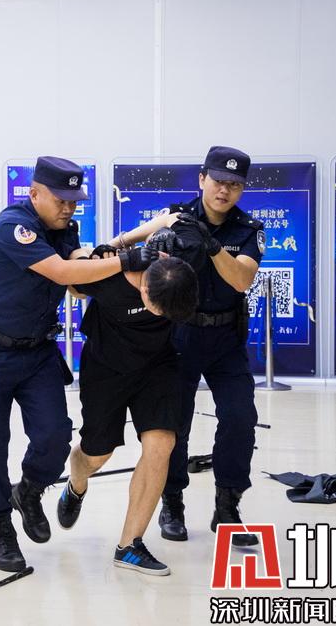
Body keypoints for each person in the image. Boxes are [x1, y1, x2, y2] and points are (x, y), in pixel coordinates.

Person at [0, 156, 160, 572]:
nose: (69, 208)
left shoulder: (65, 228)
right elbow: (62, 271)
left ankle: (30, 490)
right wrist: (127, 260)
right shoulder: (14, 226)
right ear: (35, 193)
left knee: (54, 437)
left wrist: (110, 253)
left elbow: (78, 279)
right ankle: (0, 528)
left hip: (36, 353)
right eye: (61, 200)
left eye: (74, 201)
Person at [101, 146, 264, 547]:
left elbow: (242, 280)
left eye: (234, 184)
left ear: (242, 188)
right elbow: (138, 237)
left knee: (240, 417)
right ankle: (172, 502)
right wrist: (118, 244)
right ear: (202, 179)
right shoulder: (178, 216)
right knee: (174, 424)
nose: (224, 190)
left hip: (225, 338)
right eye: (218, 181)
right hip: (180, 334)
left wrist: (212, 246)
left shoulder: (248, 229)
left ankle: (228, 505)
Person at [55, 225, 201, 576]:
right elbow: (73, 280)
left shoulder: (182, 269)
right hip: (107, 367)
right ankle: (76, 484)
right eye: (157, 308)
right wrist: (107, 252)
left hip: (158, 366)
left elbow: (170, 218)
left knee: (162, 444)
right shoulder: (111, 275)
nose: (160, 315)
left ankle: (129, 545)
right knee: (96, 454)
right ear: (144, 288)